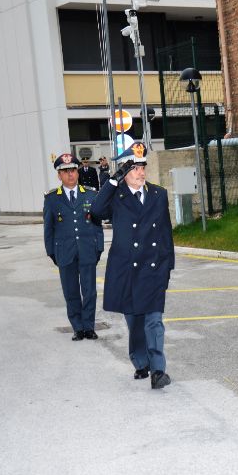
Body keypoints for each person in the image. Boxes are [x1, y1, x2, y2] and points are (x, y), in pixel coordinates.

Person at [92, 142, 175, 390]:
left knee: (154, 321)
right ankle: (141, 362)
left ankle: (158, 370)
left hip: (153, 268)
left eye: (142, 167)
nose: (141, 172)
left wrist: (167, 267)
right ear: (124, 172)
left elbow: (166, 233)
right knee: (135, 321)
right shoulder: (116, 196)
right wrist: (112, 180)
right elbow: (96, 211)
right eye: (135, 168)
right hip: (127, 269)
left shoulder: (158, 194)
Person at [43, 153, 105, 341]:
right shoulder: (52, 199)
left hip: (87, 249)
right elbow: (49, 229)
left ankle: (89, 327)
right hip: (65, 252)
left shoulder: (91, 194)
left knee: (89, 291)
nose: (70, 174)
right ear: (59, 175)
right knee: (71, 292)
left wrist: (99, 247)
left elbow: (97, 225)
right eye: (65, 171)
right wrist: (52, 253)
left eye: (72, 170)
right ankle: (78, 327)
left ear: (77, 172)